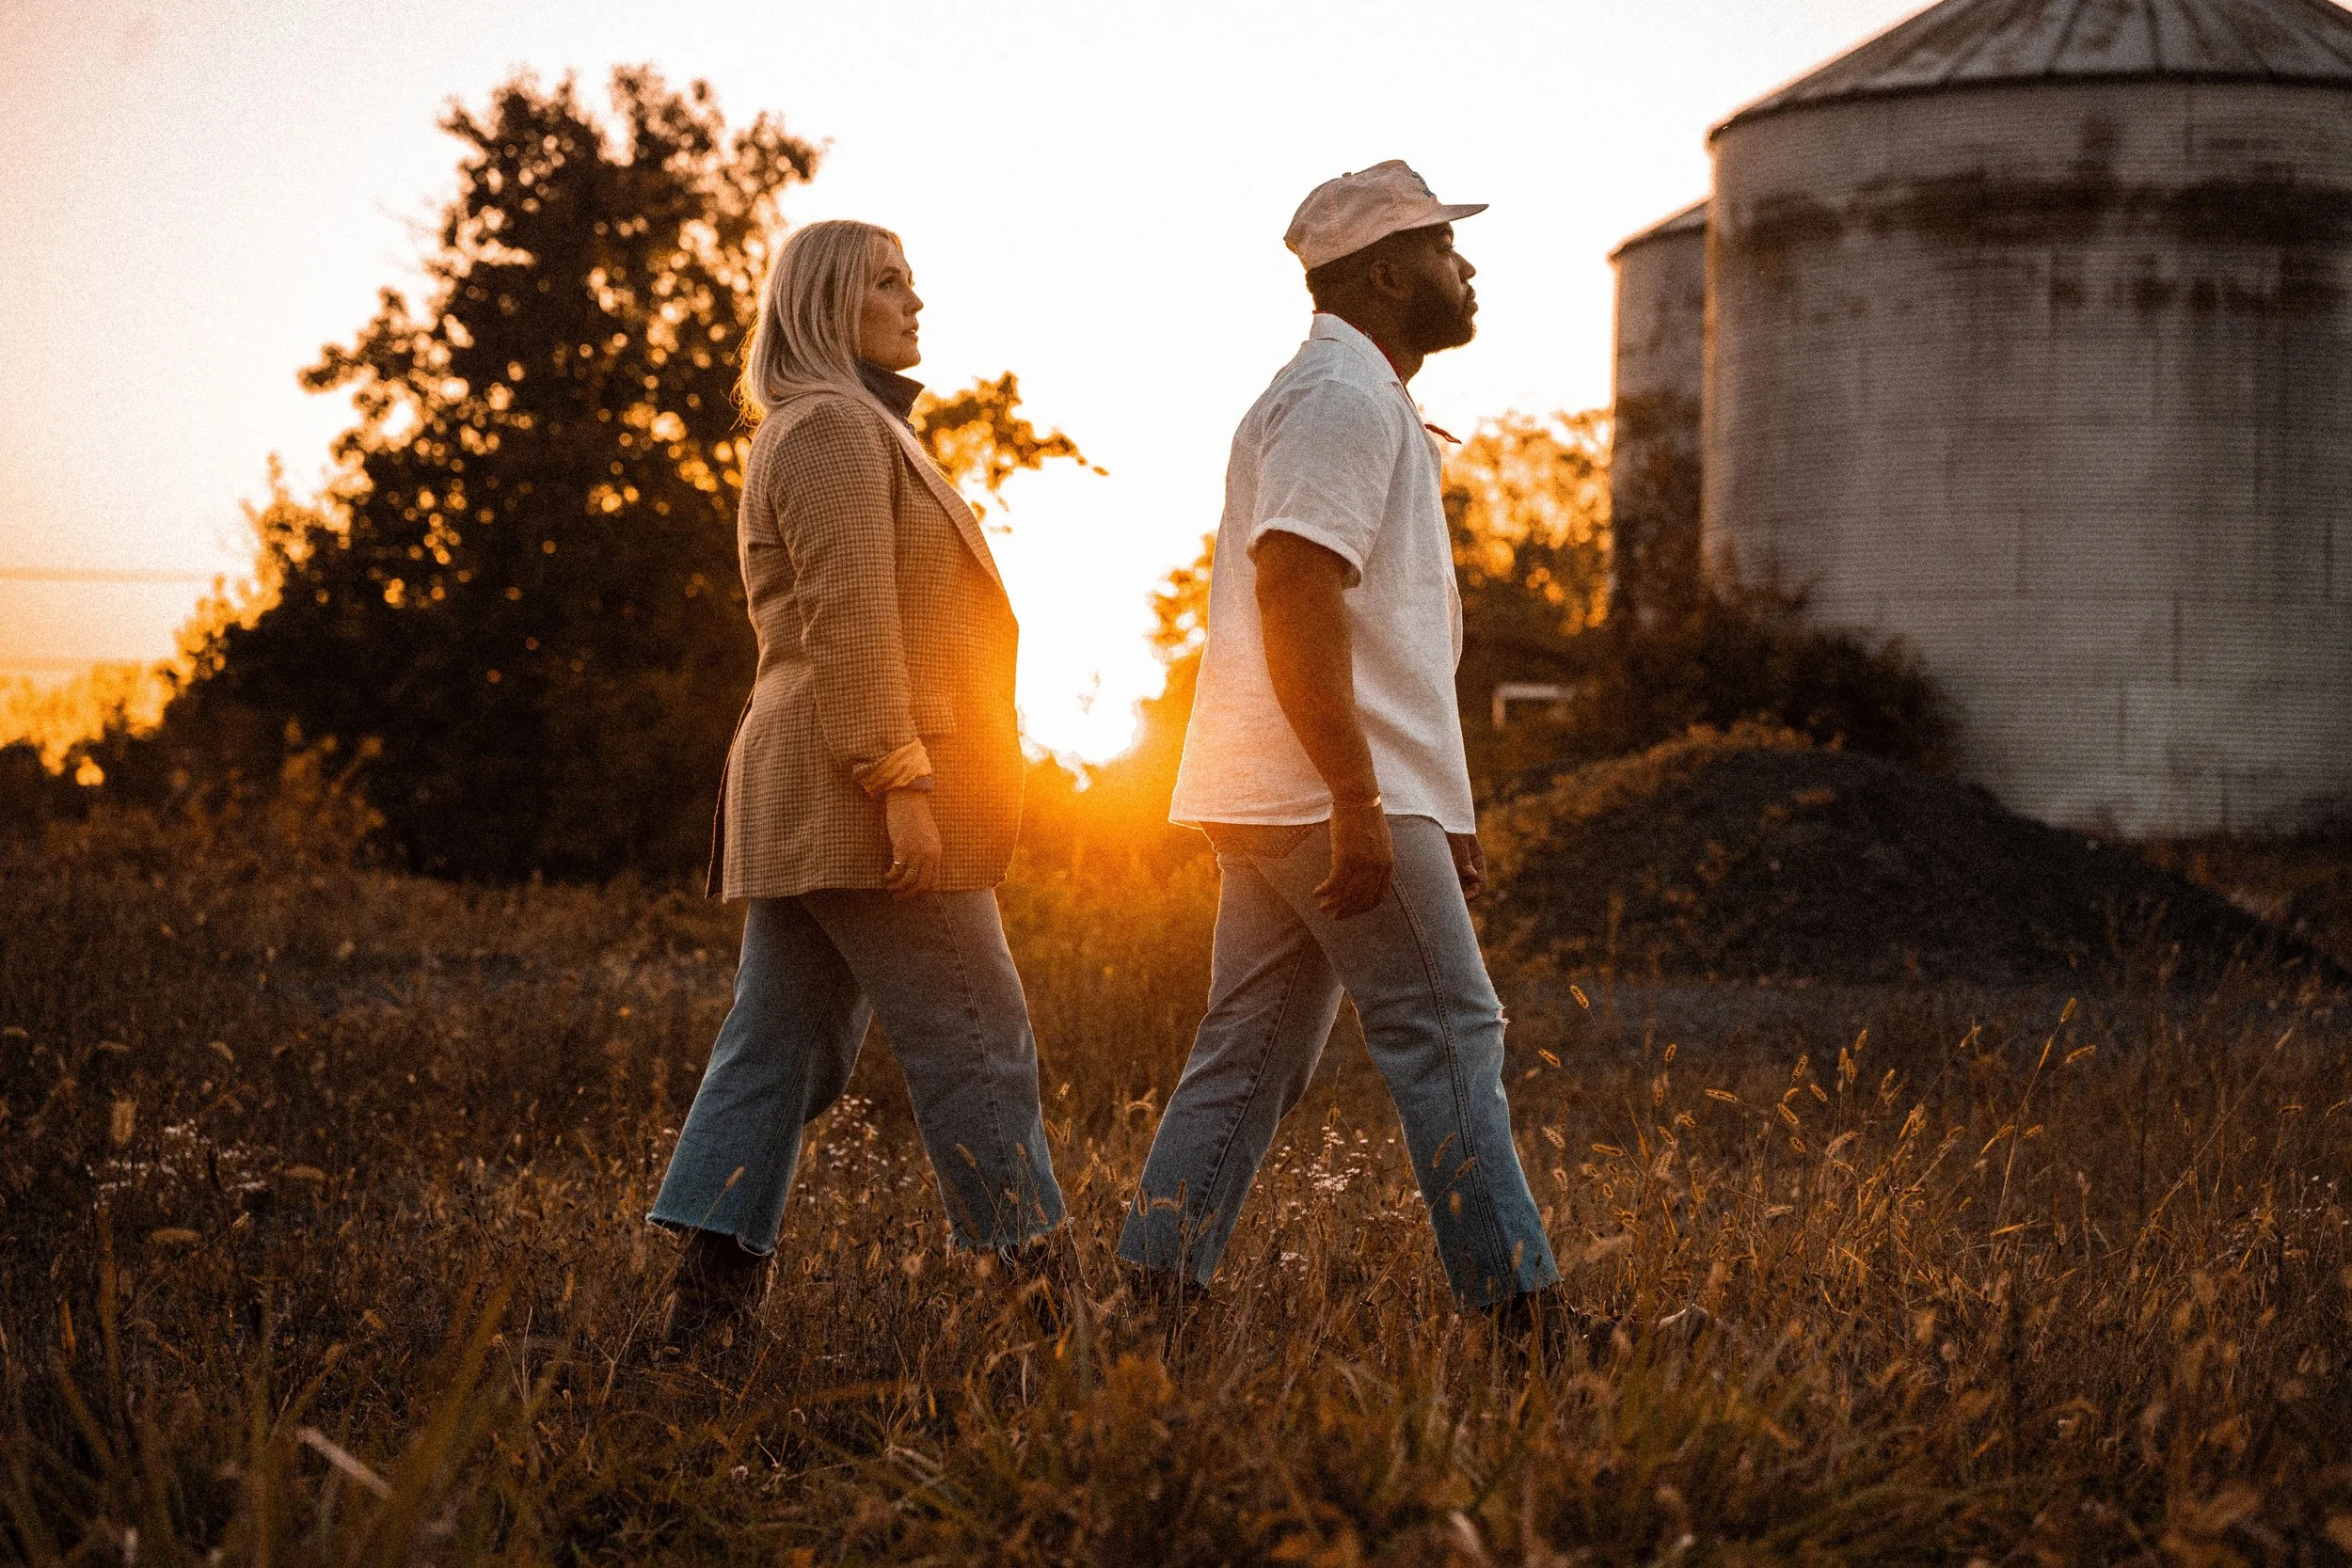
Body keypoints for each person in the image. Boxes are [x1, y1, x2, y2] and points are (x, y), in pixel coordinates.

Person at [1117, 162, 1585, 1334]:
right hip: (1320, 784)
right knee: (1448, 1028)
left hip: (1289, 783)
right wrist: (1360, 794)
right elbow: (1294, 589)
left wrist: (1441, 800)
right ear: (1385, 272)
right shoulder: (1339, 396)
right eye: (1440, 247)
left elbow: (1391, 638)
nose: (1464, 267)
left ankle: (1154, 1296)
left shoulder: (1354, 392)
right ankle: (1523, 1320)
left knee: (1255, 1039)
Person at [648, 219, 1065, 1346]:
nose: (913, 302)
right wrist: (899, 776)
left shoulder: (849, 426)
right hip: (857, 784)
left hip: (815, 786)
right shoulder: (832, 427)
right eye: (887, 283)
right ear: (830, 304)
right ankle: (1043, 1304)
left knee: (783, 1045)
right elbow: (850, 619)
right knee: (977, 1029)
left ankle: (704, 1311)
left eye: (913, 281)